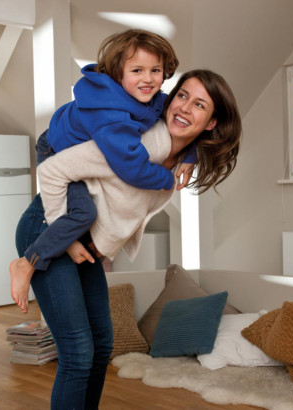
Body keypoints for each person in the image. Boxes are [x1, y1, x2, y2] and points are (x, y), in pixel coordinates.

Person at [15, 69, 242, 410]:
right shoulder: (138, 142)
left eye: (199, 105)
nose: (184, 108)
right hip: (48, 228)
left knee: (102, 345)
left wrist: (191, 153)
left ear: (211, 122)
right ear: (169, 98)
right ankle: (24, 264)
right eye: (181, 96)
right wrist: (65, 234)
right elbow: (51, 170)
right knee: (78, 352)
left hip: (83, 242)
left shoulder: (180, 155)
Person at [10, 29, 197, 314]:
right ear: (118, 74)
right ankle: (27, 262)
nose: (148, 79)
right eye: (137, 70)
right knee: (84, 213)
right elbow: (131, 167)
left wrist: (191, 153)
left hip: (76, 144)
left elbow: (178, 115)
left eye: (155, 70)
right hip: (56, 150)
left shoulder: (148, 96)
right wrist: (165, 179)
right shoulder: (111, 116)